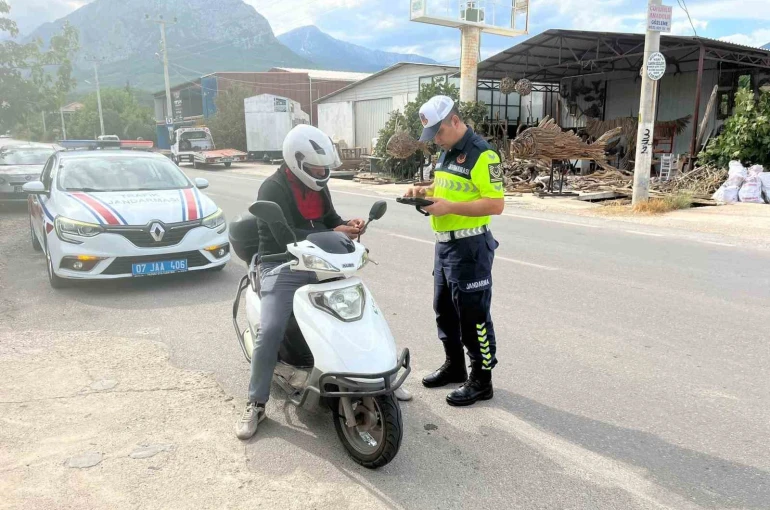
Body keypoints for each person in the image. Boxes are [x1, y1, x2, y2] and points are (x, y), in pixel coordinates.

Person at [236, 125, 410, 440]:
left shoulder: (317, 186)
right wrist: (334, 234)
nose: (322, 172)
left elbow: (329, 218)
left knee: (358, 310)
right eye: (316, 167)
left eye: (324, 167)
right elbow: (284, 234)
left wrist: (347, 225)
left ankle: (378, 377)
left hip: (318, 260)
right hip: (281, 263)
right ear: (296, 160)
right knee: (271, 328)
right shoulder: (272, 189)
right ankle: (256, 402)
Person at [404, 95, 505, 407]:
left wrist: (449, 206)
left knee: (473, 316)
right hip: (444, 245)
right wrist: (424, 192)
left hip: (470, 246)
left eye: (439, 132)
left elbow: (495, 204)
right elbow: (443, 188)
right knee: (444, 309)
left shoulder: (483, 155)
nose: (436, 139)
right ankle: (455, 366)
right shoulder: (445, 152)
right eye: (432, 135)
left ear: (456, 121)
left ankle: (481, 379)